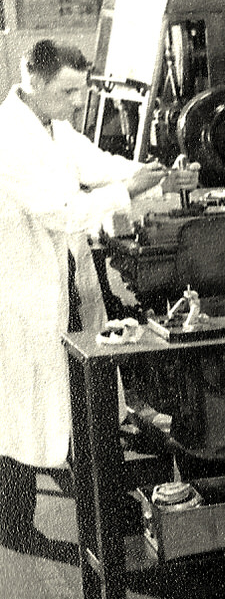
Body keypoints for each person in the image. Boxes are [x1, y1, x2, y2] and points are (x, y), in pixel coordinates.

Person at [0, 40, 172, 558]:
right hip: (23, 295)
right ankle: (14, 527)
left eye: (80, 91)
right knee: (24, 410)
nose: (78, 102)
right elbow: (60, 211)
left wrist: (154, 173)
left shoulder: (51, 127)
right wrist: (129, 191)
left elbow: (97, 164)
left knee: (78, 400)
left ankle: (108, 509)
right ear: (34, 82)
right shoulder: (9, 138)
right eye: (68, 91)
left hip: (65, 284)